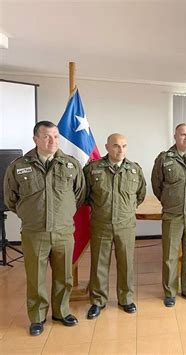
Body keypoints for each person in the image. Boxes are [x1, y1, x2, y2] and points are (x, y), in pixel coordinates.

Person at [3, 121, 85, 336]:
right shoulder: (19, 166)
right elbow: (11, 199)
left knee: (64, 276)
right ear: (35, 139)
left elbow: (79, 195)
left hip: (63, 231)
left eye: (56, 136)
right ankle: (37, 317)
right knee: (36, 277)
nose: (53, 141)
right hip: (34, 232)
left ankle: (62, 312)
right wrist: (30, 214)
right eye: (47, 136)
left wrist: (62, 214)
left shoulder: (70, 164)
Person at [83, 133, 146, 319]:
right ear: (107, 147)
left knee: (126, 263)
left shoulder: (134, 170)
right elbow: (85, 195)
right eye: (117, 146)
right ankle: (98, 301)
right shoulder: (93, 170)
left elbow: (140, 194)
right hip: (101, 223)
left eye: (124, 146)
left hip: (126, 224)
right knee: (99, 264)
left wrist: (125, 210)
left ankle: (126, 299)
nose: (121, 150)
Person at [151, 123, 186, 307]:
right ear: (175, 136)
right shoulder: (164, 159)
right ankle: (169, 292)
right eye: (183, 134)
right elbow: (156, 185)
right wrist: (170, 201)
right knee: (170, 255)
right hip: (172, 215)